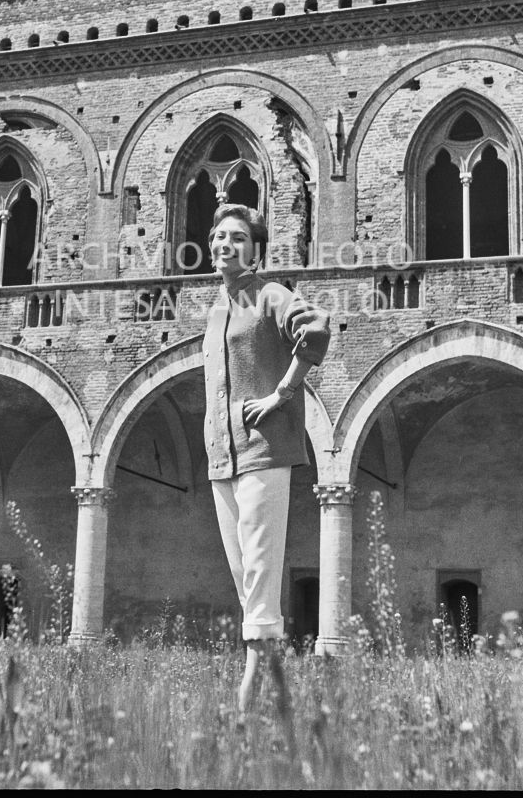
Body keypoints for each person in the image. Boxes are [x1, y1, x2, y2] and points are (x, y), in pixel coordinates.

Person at [202, 203, 331, 711]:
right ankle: (267, 668)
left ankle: (252, 687)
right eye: (217, 237)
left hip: (263, 449)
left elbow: (315, 328)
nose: (223, 245)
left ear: (255, 249)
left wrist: (281, 394)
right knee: (240, 570)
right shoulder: (216, 307)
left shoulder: (270, 295)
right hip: (222, 454)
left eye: (235, 237)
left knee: (259, 564)